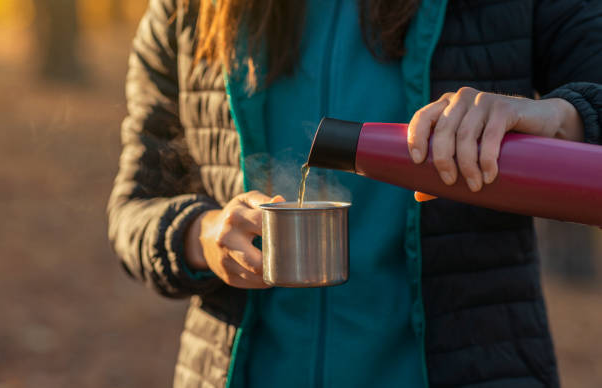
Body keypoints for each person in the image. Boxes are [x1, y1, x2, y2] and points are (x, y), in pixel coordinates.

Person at [107, 0, 602, 387]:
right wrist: (204, 234)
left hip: (466, 370)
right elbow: (135, 206)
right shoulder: (188, 12)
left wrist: (562, 116)